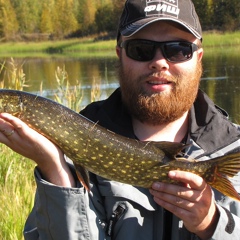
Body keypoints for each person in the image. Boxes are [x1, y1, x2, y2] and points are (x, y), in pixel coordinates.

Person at [0, 0, 239, 239]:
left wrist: (212, 224)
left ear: (198, 58)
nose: (158, 62)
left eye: (178, 49)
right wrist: (56, 170)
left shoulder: (233, 146)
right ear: (119, 55)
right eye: (140, 49)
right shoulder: (71, 145)